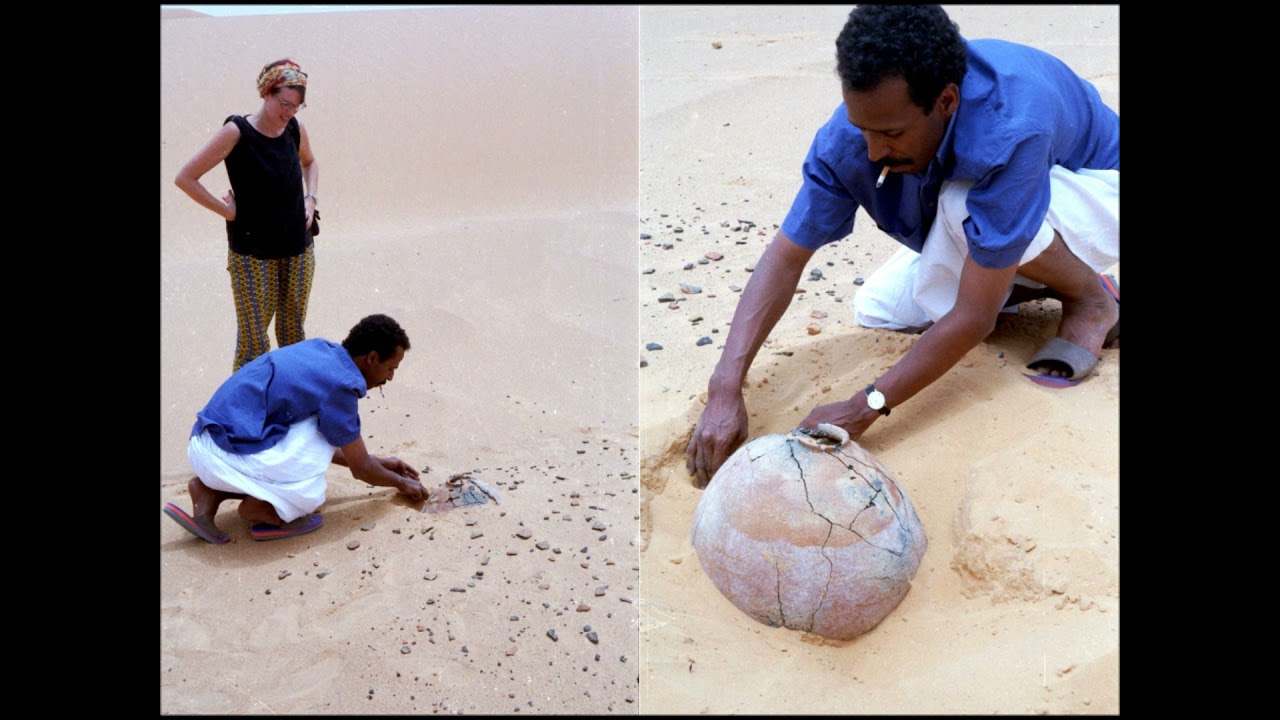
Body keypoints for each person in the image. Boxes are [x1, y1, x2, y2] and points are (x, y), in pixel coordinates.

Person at [685, 5, 1119, 487]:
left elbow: (973, 318)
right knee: (879, 307)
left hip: (1098, 193)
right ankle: (1009, 277)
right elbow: (787, 257)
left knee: (962, 206)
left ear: (947, 101)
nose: (872, 152)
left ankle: (1091, 298)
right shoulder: (849, 139)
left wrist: (865, 405)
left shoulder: (1010, 124)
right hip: (1005, 214)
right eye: (863, 128)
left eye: (890, 133)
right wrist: (725, 385)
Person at [162, 314, 426, 544]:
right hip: (226, 452)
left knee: (320, 426)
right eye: (391, 368)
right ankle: (264, 510)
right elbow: (360, 469)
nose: (390, 377)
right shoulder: (341, 385)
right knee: (310, 495)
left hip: (203, 442)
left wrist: (381, 462)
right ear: (372, 358)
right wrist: (401, 483)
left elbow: (324, 445)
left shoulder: (320, 349)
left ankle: (210, 492)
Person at [175, 58, 321, 373]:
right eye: (284, 103)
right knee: (254, 341)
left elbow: (310, 163)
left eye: (296, 106)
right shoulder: (236, 131)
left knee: (293, 331)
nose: (289, 112)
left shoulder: (295, 128)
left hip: (298, 246)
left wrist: (311, 198)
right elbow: (185, 177)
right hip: (253, 254)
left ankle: (290, 399)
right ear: (266, 94)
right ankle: (244, 412)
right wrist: (226, 210)